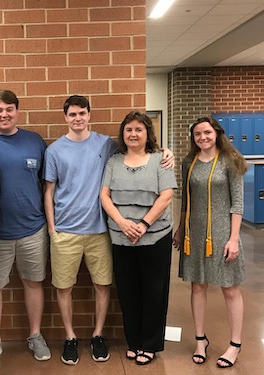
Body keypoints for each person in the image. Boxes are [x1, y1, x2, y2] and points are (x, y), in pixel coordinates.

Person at [44, 95, 174, 365]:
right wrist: (53, 230)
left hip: (100, 231)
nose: (77, 118)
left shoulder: (107, 145)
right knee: (64, 287)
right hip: (67, 231)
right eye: (72, 114)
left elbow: (143, 151)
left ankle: (98, 335)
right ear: (65, 117)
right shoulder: (55, 150)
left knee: (103, 285)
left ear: (89, 115)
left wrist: (167, 152)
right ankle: (70, 337)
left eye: (82, 113)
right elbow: (49, 191)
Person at [0, 90, 51, 363]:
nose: (4, 114)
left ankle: (35, 335)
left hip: (33, 228)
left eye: (9, 109)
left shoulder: (34, 141)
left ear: (17, 111)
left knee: (33, 283)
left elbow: (46, 184)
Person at [100, 111, 177, 365]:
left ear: (147, 134)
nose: (133, 134)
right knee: (128, 291)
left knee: (154, 291)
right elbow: (104, 196)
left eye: (139, 130)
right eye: (129, 129)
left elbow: (166, 196)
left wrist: (143, 224)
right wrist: (122, 223)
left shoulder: (160, 161)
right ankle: (133, 341)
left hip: (155, 236)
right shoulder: (114, 161)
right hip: (122, 238)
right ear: (123, 133)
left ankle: (150, 344)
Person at [173, 116, 247, 368]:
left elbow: (237, 203)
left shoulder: (230, 161)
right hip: (195, 236)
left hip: (223, 234)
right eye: (197, 135)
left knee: (230, 288)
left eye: (207, 133)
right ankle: (200, 339)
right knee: (197, 287)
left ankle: (235, 344)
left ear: (217, 133)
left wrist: (234, 239)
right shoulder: (188, 162)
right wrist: (180, 228)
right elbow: (185, 199)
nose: (202, 138)